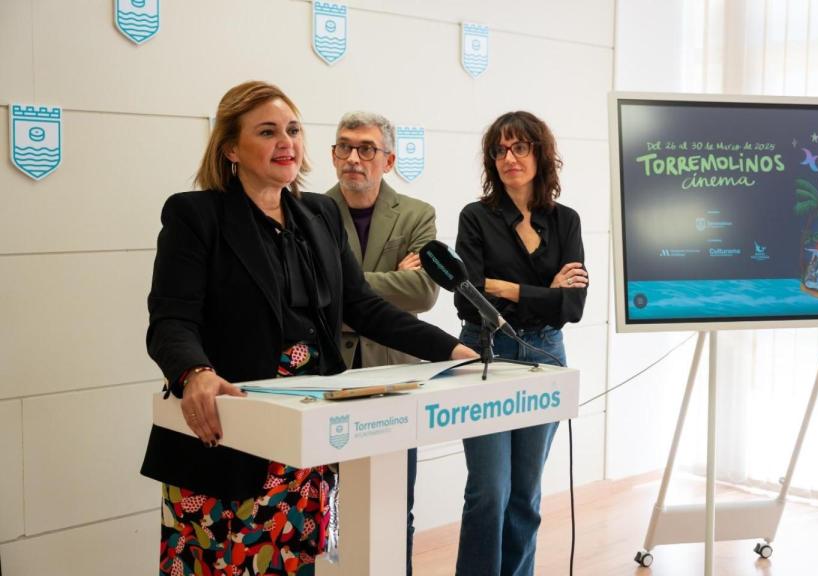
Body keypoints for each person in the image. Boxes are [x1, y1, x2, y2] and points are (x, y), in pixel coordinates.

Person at [139, 81, 476, 576]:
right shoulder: (196, 216)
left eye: (293, 130)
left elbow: (362, 306)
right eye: (268, 131)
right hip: (232, 433)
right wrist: (195, 372)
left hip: (306, 433)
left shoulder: (318, 214)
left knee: (294, 565)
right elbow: (171, 320)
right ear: (231, 147)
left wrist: (450, 349)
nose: (287, 142)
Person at [453, 111, 588, 576]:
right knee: (490, 491)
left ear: (540, 153)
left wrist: (506, 288)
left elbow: (572, 308)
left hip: (546, 355)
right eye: (500, 150)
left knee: (526, 494)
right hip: (485, 352)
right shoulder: (476, 218)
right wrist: (544, 292)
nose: (509, 158)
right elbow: (468, 298)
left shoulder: (565, 221)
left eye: (520, 148)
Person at [324, 111, 439, 576]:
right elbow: (306, 292)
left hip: (394, 375)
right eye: (344, 147)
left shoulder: (416, 213)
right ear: (332, 155)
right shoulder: (311, 210)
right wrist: (392, 280)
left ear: (388, 159)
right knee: (327, 508)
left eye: (366, 148)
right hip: (327, 375)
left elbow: (426, 293)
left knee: (395, 506)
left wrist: (342, 284)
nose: (354, 157)